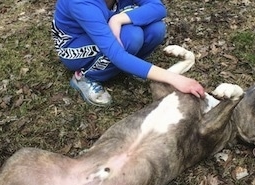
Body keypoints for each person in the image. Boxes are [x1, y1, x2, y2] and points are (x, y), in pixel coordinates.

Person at [52, 0, 204, 106]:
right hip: (74, 47)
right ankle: (85, 77)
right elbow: (115, 53)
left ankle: (130, 67)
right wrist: (175, 79)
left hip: (105, 32)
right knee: (131, 37)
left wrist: (118, 19)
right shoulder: (81, 2)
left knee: (156, 28)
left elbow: (158, 8)